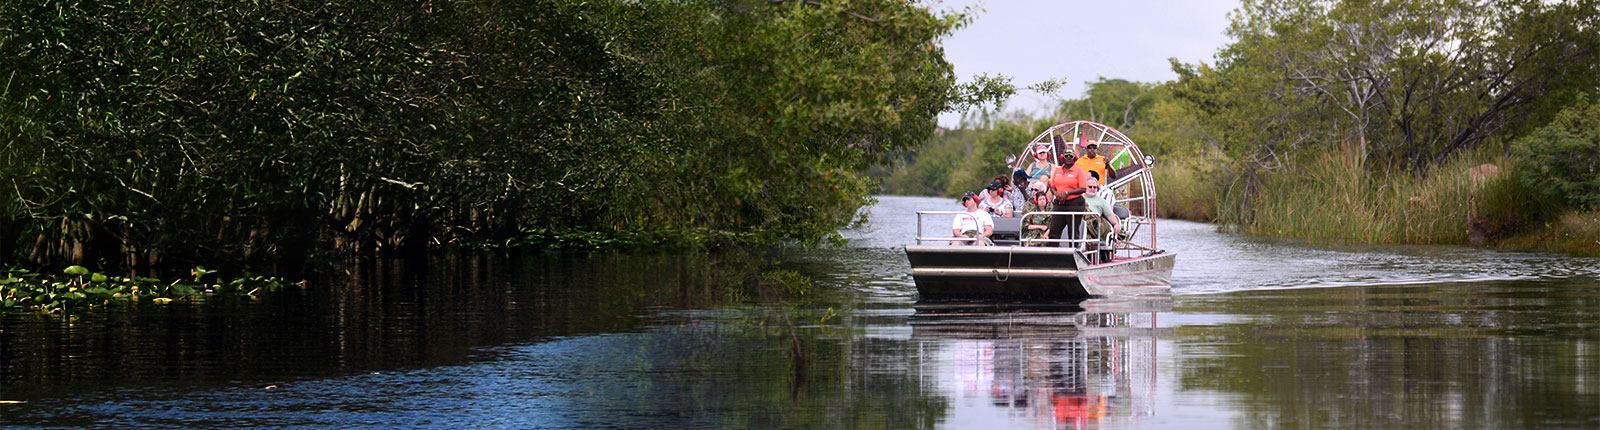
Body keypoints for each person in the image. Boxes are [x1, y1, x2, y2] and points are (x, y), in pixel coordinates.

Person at [1047, 152, 1088, 247]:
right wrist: (1056, 194)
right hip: (1059, 203)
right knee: (1054, 229)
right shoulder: (1058, 170)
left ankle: (1073, 253)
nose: (1068, 158)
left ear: (1075, 158)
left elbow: (1083, 188)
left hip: (1075, 203)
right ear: (1063, 158)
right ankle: (1051, 255)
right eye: (1066, 156)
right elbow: (1052, 186)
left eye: (1071, 156)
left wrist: (1067, 193)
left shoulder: (1079, 171)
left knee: (1073, 231)